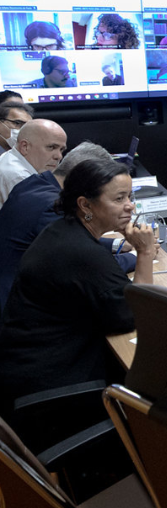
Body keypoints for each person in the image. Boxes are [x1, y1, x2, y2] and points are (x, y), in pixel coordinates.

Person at [0, 159, 157, 426]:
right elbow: (137, 314)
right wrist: (145, 253)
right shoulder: (82, 253)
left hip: (27, 371)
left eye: (129, 196)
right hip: (53, 393)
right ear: (86, 205)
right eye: (119, 198)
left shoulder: (63, 231)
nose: (130, 206)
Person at [0, 142, 136, 314]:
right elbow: (87, 265)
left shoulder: (35, 183)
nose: (130, 206)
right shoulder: (52, 207)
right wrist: (137, 256)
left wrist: (116, 245)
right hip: (18, 308)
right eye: (118, 197)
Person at [0, 118, 66, 205]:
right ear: (25, 147)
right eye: (51, 147)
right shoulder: (19, 177)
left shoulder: (12, 157)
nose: (59, 156)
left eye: (61, 149)